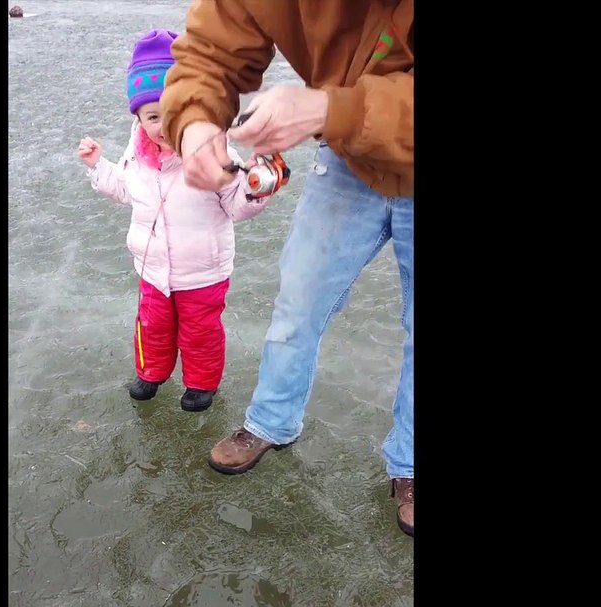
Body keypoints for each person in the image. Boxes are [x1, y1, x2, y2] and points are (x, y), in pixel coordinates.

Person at [159, 0, 416, 536]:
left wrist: (330, 110)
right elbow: (212, 48)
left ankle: (411, 463)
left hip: (359, 130)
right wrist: (195, 122)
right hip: (347, 161)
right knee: (297, 302)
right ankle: (270, 423)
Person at [77, 29, 271, 413]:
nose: (162, 126)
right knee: (150, 327)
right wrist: (98, 166)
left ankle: (201, 384)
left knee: (200, 333)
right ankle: (151, 373)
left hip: (203, 271)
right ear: (138, 117)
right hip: (153, 269)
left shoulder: (214, 151)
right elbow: (125, 189)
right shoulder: (137, 154)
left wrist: (254, 189)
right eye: (152, 116)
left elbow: (235, 203)